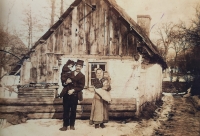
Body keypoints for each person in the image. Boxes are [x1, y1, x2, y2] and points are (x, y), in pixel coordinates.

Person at [59, 59, 85, 131]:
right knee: (66, 110)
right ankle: (65, 126)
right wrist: (66, 82)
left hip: (75, 95)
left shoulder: (82, 76)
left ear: (81, 67)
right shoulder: (69, 73)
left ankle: (72, 125)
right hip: (66, 95)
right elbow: (63, 83)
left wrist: (73, 90)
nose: (78, 67)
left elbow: (81, 87)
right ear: (75, 66)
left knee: (73, 110)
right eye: (77, 66)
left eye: (80, 66)